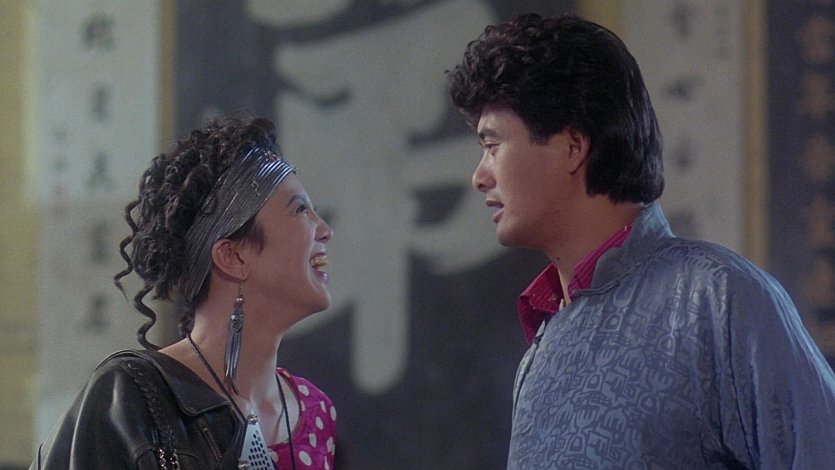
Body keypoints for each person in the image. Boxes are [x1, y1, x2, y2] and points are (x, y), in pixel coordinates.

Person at [448, 13, 835, 469]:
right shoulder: (542, 351)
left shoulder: (715, 299)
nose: (479, 177)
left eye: (493, 146)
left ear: (573, 146)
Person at [31, 113, 337, 469]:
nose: (325, 230)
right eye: (300, 210)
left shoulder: (315, 411)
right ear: (232, 256)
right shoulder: (131, 400)